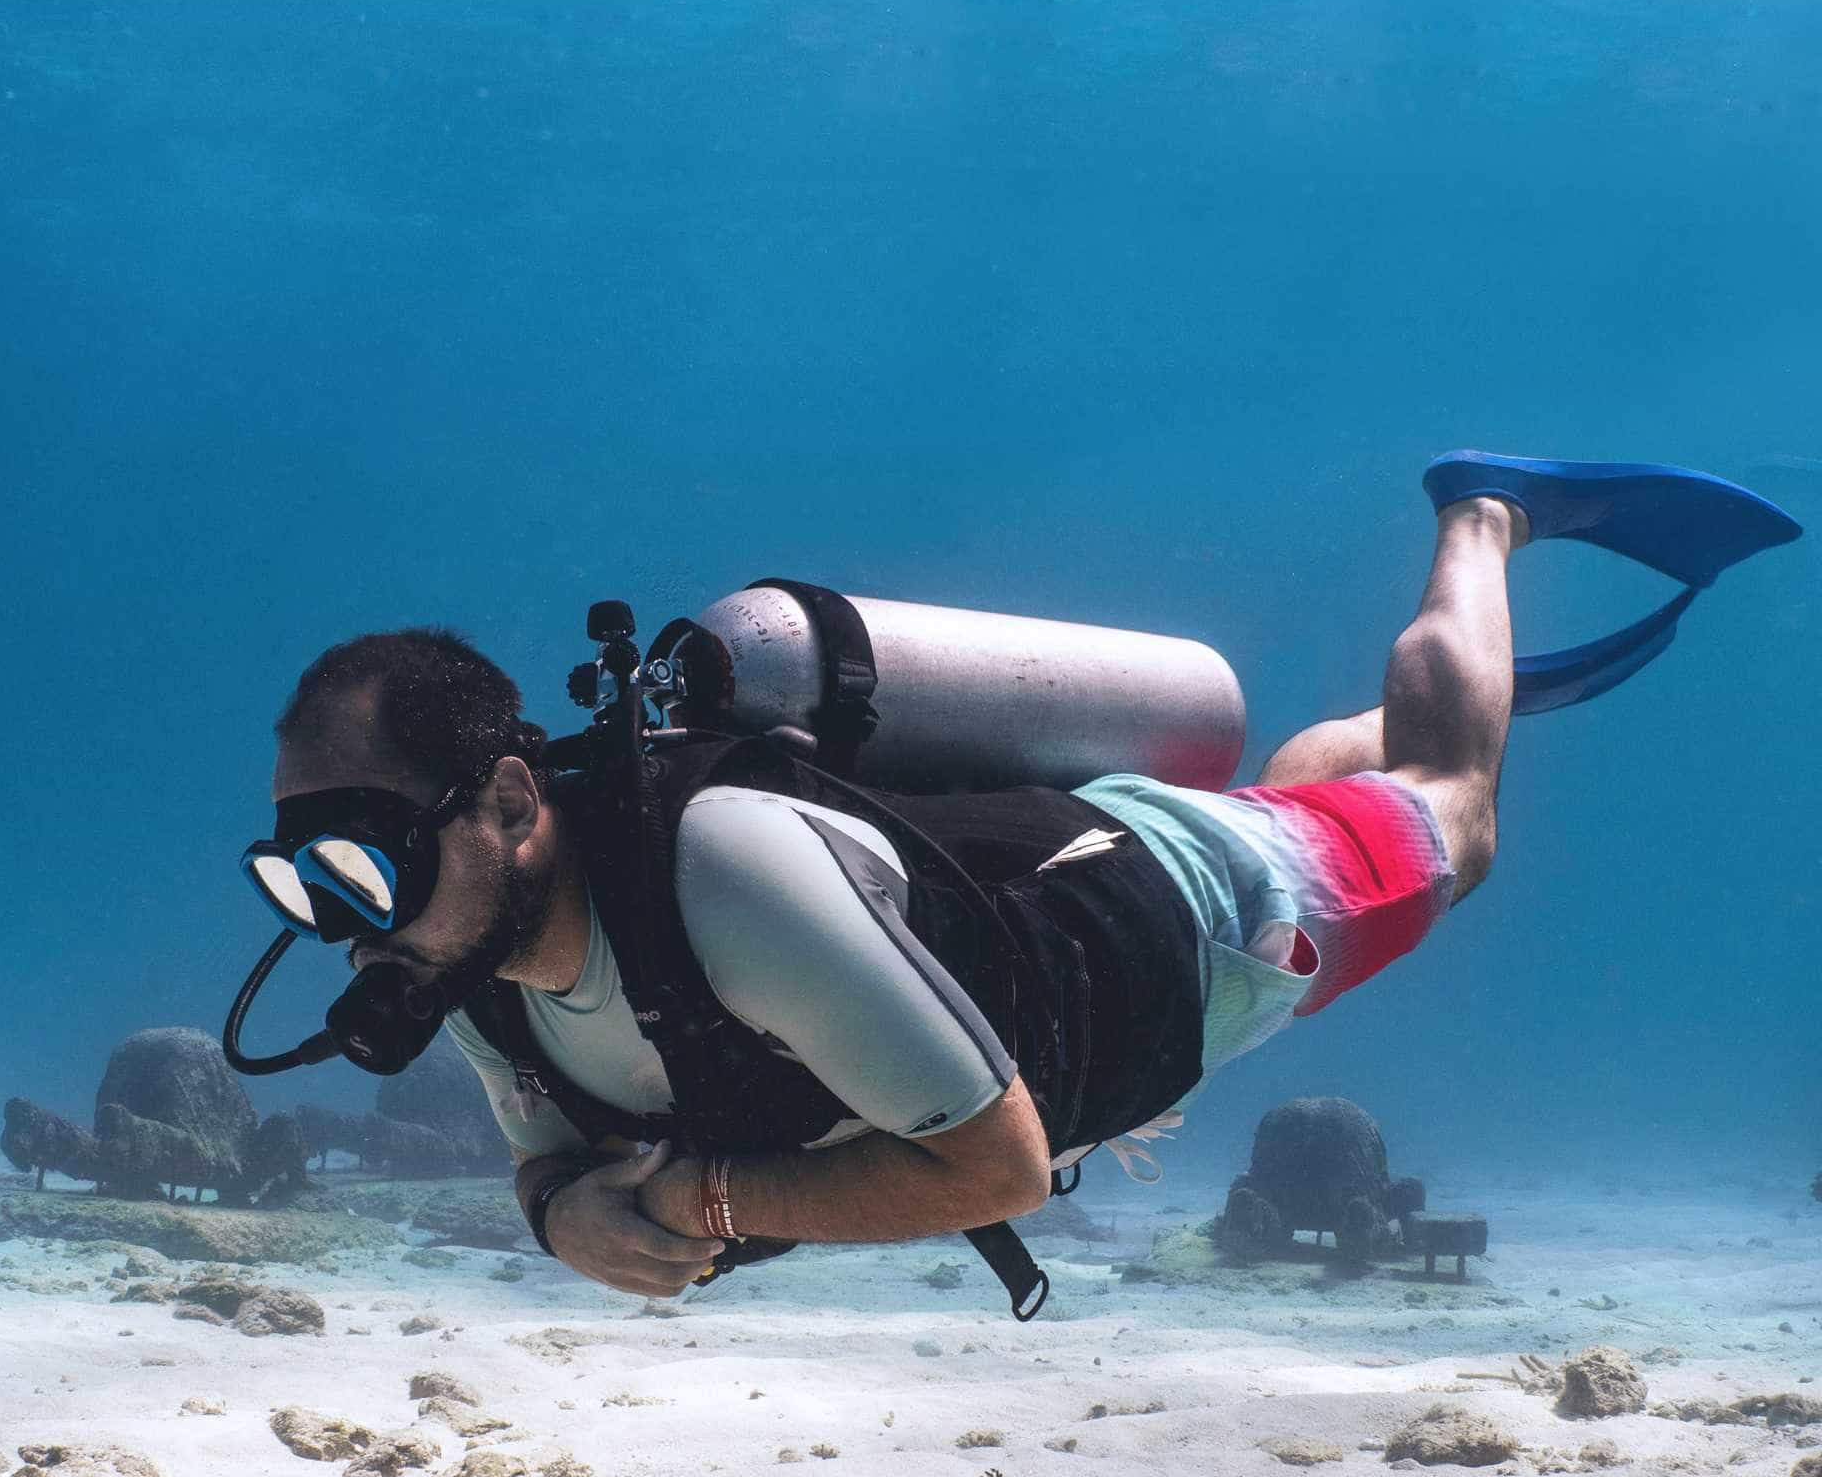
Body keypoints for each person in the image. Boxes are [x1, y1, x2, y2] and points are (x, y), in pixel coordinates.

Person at [251, 458, 1797, 1305]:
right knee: (1354, 790)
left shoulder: (722, 875)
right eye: (302, 882)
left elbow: (996, 1167)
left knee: (1457, 824)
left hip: (1191, 922)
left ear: (516, 802)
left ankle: (1486, 522)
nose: (347, 925)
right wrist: (553, 1220)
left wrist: (703, 1198)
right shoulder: (466, 950)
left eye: (365, 866)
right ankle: (1411, 727)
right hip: (1087, 880)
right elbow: (551, 1160)